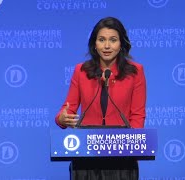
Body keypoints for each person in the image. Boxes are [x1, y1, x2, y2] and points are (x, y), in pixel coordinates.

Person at [55, 16, 147, 180]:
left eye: (113, 40)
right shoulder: (81, 71)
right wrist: (62, 118)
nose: (107, 46)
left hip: (122, 158)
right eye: (101, 40)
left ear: (121, 44)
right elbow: (66, 110)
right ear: (94, 44)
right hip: (86, 157)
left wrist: (130, 144)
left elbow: (137, 116)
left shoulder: (135, 72)